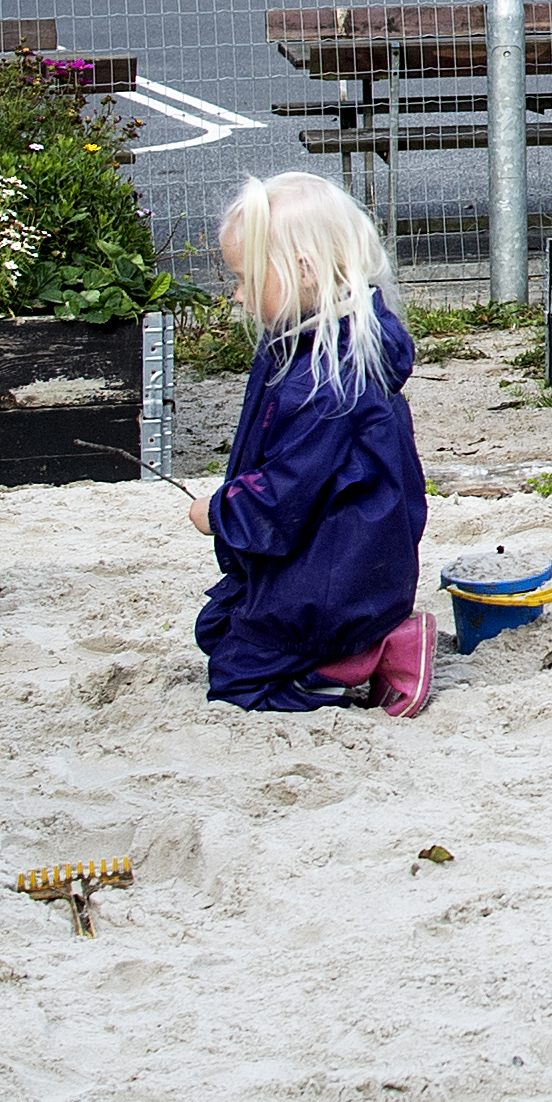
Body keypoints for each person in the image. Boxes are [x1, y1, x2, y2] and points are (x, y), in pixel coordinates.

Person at [188, 172, 435, 714]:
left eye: (249, 278)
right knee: (218, 627)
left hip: (335, 571)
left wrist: (223, 510)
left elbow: (288, 490)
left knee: (237, 682)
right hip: (347, 558)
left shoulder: (323, 383)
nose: (239, 294)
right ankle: (361, 644)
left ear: (302, 270)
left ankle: (367, 655)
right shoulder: (327, 345)